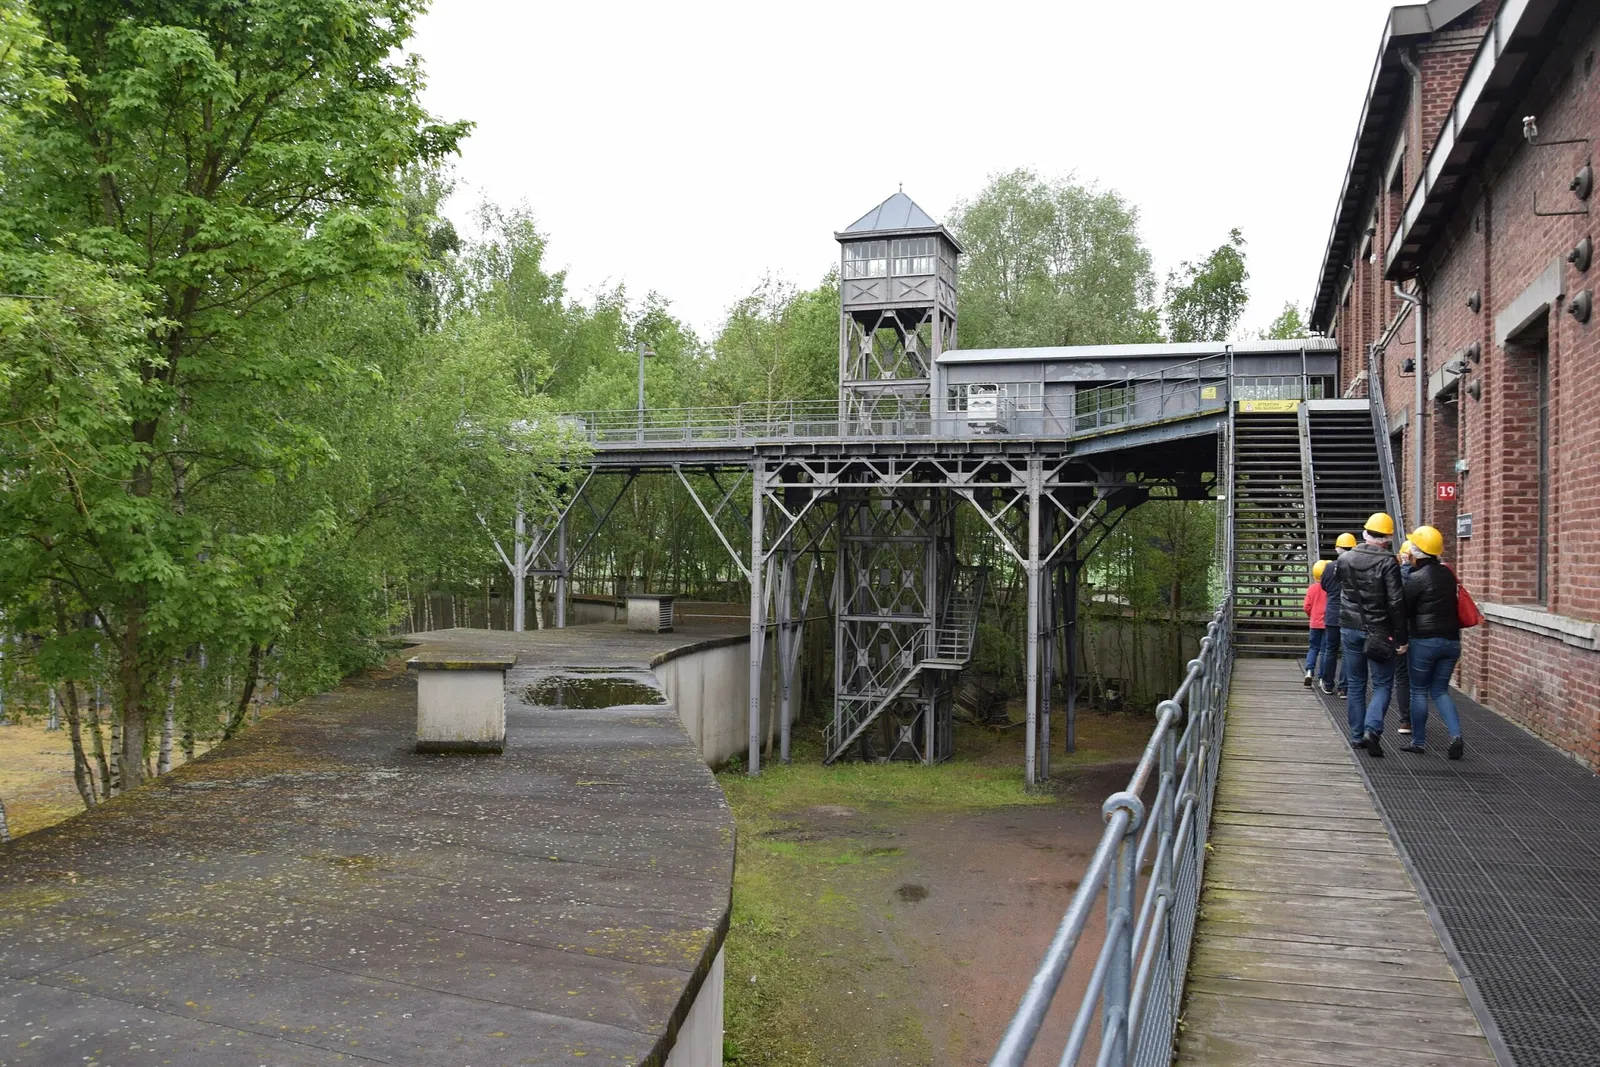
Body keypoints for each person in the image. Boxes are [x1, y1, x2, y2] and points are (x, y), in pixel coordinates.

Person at [1335, 513, 1407, 757]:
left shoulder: (1344, 559)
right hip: (1379, 629)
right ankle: (1372, 730)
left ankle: (1356, 737)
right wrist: (1401, 638)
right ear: (1387, 537)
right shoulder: (1389, 562)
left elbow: (1340, 587)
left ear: (1365, 533)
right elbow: (1396, 602)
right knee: (1383, 683)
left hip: (1349, 626)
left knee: (1355, 683)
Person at [1400, 525, 1465, 759]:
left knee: (1418, 691)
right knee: (1440, 691)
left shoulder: (1416, 578)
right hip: (1451, 641)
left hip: (1424, 641)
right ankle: (1456, 735)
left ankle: (1418, 741)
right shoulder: (1448, 573)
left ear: (1417, 553)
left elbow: (1404, 610)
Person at [1317, 532, 1358, 695]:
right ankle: (1344, 687)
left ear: (1337, 549)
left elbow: (1324, 586)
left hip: (1333, 613)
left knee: (1330, 649)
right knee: (1348, 652)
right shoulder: (1356, 566)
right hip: (1350, 613)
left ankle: (1327, 683)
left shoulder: (1328, 567)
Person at [1392, 541, 1414, 735]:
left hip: (1402, 632)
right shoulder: (1433, 574)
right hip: (1422, 633)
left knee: (1401, 677)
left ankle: (1405, 720)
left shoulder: (1397, 576)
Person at [1303, 560, 1330, 687]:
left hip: (1314, 623)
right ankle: (1322, 677)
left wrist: (1312, 616)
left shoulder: (1312, 588)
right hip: (1327, 624)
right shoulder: (1330, 589)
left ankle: (1309, 671)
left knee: (1313, 648)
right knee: (1325, 650)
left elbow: (1306, 606)